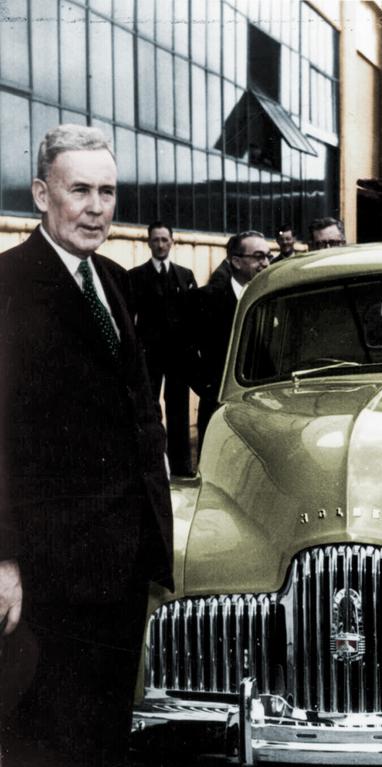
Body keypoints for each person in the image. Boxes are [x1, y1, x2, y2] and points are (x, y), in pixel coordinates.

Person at [0, 124, 173, 766]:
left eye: (108, 191)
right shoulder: (9, 285)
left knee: (106, 730)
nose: (97, 207)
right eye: (81, 190)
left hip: (122, 561)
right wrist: (4, 559)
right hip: (50, 571)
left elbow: (137, 414)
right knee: (50, 736)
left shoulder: (115, 281)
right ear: (43, 194)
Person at [129, 221, 197, 477]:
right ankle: (152, 465)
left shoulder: (185, 275)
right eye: (155, 240)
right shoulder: (136, 276)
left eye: (164, 240)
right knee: (148, 410)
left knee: (178, 410)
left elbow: (193, 317)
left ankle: (182, 467)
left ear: (172, 241)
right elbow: (130, 319)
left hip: (178, 358)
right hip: (150, 357)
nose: (160, 245)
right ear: (148, 242)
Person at [191, 230, 271, 447]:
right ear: (236, 261)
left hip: (267, 409)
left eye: (268, 255)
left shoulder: (273, 298)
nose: (266, 263)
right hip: (220, 408)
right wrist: (209, 388)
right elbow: (184, 351)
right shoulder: (207, 299)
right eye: (258, 256)